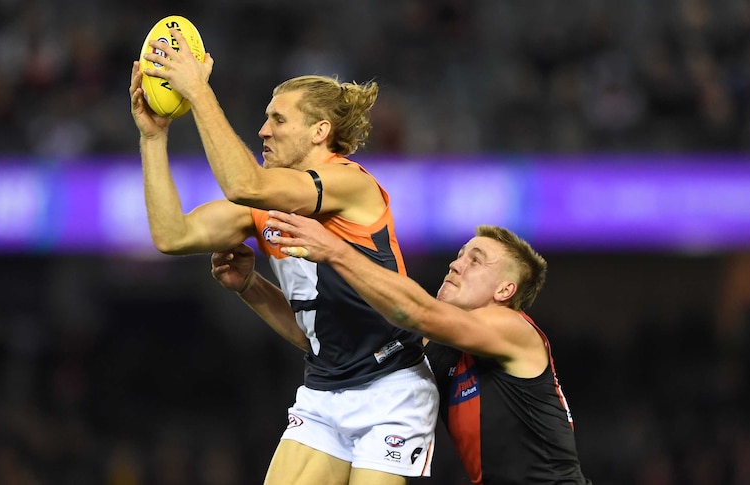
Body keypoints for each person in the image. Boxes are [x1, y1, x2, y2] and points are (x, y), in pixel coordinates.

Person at [129, 29, 438, 485]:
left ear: (320, 132)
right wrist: (153, 139)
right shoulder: (263, 207)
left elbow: (245, 185)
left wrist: (197, 89)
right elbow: (171, 235)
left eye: (278, 119)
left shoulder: (350, 184)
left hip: (391, 387)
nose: (263, 130)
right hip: (324, 388)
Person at [213, 210, 592, 484]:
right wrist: (251, 286)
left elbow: (414, 311)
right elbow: (323, 341)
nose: (456, 264)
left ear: (505, 291)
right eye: (459, 254)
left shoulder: (514, 330)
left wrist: (336, 250)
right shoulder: (440, 346)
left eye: (475, 261)